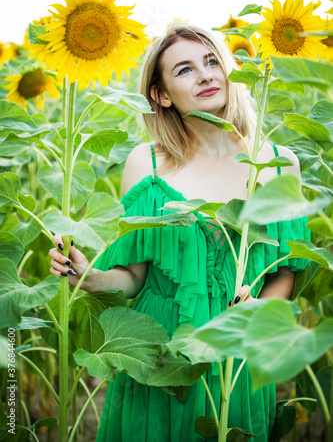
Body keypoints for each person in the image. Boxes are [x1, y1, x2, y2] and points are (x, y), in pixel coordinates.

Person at [49, 23, 310, 441]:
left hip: (230, 355)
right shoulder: (146, 165)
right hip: (158, 352)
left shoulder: (278, 162)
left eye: (212, 61)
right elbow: (135, 276)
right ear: (161, 94)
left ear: (230, 70)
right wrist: (90, 276)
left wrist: (257, 310)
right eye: (184, 69)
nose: (205, 75)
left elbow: (285, 273)